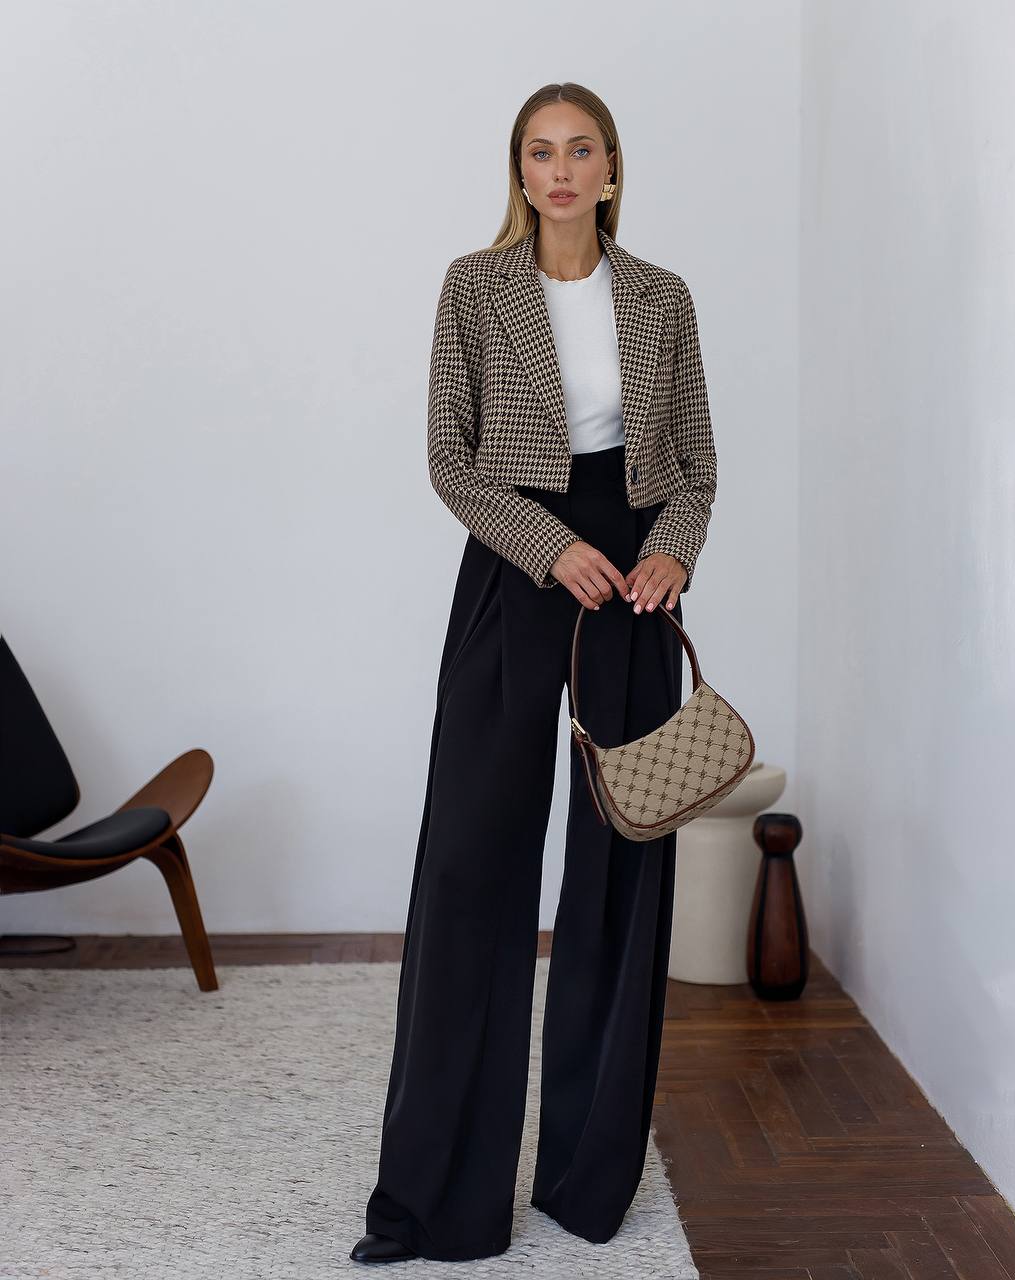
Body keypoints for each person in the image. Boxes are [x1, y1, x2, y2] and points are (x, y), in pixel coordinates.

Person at [351, 80, 718, 1264]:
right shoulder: (474, 286)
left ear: (611, 169)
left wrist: (671, 550)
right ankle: (437, 1196)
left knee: (621, 863)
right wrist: (551, 546)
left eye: (580, 150)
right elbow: (449, 459)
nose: (559, 170)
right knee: (473, 862)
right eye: (539, 152)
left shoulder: (662, 297)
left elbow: (695, 463)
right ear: (519, 172)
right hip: (516, 565)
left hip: (635, 579)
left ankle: (586, 1175)